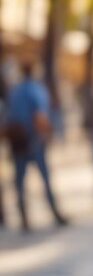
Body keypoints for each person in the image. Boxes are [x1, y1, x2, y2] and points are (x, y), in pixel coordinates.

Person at [5, 62, 67, 231]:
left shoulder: (15, 90)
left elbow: (8, 115)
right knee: (45, 177)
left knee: (19, 180)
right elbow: (40, 116)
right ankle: (54, 212)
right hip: (33, 139)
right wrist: (48, 135)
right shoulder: (36, 89)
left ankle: (23, 216)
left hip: (17, 140)